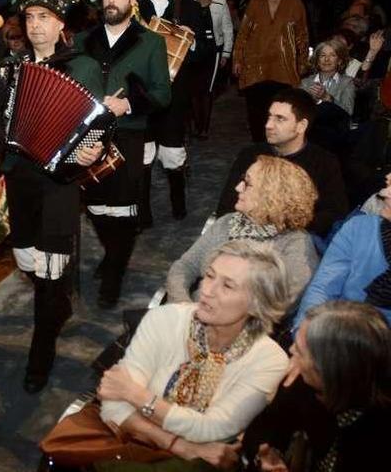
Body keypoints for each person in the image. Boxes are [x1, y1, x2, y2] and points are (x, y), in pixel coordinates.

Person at [42, 240, 291, 470]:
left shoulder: (270, 361)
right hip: (135, 441)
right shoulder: (165, 318)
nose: (207, 291)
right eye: (209, 276)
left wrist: (135, 395)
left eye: (227, 285)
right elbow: (113, 406)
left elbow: (211, 430)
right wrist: (181, 445)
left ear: (258, 303)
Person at [0, 0, 100, 394]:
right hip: (21, 176)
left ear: (59, 25)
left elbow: (98, 124)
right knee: (26, 260)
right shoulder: (10, 67)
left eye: (44, 18)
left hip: (60, 179)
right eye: (31, 18)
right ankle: (56, 304)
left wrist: (92, 149)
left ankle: (42, 349)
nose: (35, 26)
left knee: (51, 271)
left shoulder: (83, 65)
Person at [77, 0, 172, 308]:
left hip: (129, 134)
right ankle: (112, 252)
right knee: (94, 207)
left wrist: (128, 103)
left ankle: (114, 274)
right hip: (89, 136)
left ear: (133, 0)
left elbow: (162, 94)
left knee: (122, 210)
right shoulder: (81, 40)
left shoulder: (151, 42)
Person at [242, 301, 391, 471]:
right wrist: (266, 458)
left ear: (329, 370)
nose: (291, 350)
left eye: (300, 351)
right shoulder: (302, 381)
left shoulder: (380, 435)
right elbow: (261, 431)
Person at [167, 155, 318, 310]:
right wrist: (182, 305)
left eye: (248, 183)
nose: (238, 187)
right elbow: (184, 266)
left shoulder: (295, 244)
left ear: (272, 195)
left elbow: (277, 304)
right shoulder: (228, 222)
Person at [215, 89, 348, 238]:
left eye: (280, 119)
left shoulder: (324, 162)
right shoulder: (251, 155)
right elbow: (226, 206)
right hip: (244, 236)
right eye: (269, 117)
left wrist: (284, 227)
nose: (268, 125)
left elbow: (334, 214)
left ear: (301, 126)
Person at [138, 0, 214, 223]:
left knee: (172, 154)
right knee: (143, 154)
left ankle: (178, 204)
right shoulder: (135, 7)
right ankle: (143, 213)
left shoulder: (190, 8)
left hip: (174, 96)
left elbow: (205, 50)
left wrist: (190, 44)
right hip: (141, 95)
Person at [293, 174, 391, 327]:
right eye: (388, 186)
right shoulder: (359, 227)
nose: (383, 194)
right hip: (336, 333)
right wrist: (303, 331)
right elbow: (323, 288)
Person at [232, 0, 309, 143]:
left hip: (284, 67)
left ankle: (279, 145)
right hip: (256, 67)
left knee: (281, 110)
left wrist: (303, 61)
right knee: (256, 112)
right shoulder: (256, 1)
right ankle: (259, 146)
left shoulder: (294, 1)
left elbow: (302, 34)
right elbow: (243, 32)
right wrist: (237, 58)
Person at [192, 0, 234, 137]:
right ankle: (197, 125)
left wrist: (226, 53)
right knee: (195, 91)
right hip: (195, 53)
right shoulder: (191, 5)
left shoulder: (220, 4)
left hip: (214, 52)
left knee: (207, 90)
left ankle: (204, 129)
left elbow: (228, 29)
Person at [299, 39, 355, 116]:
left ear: (339, 61)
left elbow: (348, 112)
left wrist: (328, 98)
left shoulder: (347, 82)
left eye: (332, 55)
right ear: (318, 61)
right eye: (323, 55)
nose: (326, 59)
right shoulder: (305, 83)